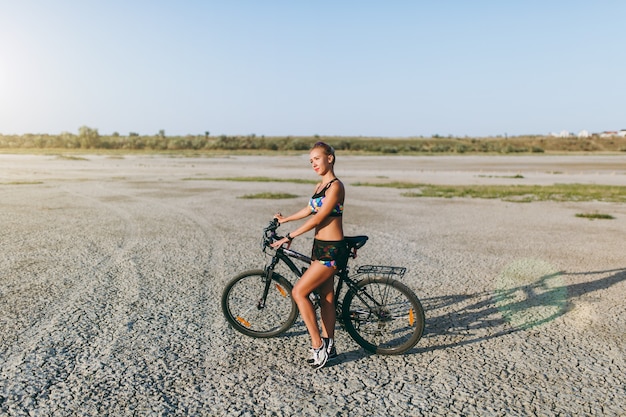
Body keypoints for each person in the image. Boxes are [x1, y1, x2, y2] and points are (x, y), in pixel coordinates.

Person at [271, 141, 346, 369]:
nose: (313, 163)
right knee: (327, 298)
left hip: (332, 249)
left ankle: (318, 346)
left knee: (299, 292)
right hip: (319, 246)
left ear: (329, 158)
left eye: (317, 158)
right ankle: (330, 346)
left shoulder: (336, 186)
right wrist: (286, 220)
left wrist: (290, 235)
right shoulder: (319, 186)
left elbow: (318, 218)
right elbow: (309, 210)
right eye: (311, 160)